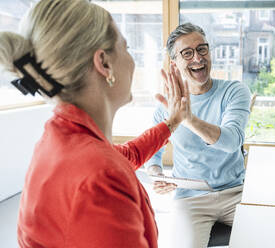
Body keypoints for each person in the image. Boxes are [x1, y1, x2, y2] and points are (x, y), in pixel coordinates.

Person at [0, 0, 189, 247]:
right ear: (104, 63)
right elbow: (110, 167)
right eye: (127, 47)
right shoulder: (100, 177)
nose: (133, 61)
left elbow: (126, 156)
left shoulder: (60, 138)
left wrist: (173, 121)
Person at [145, 22, 251, 247]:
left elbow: (231, 141)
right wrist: (158, 176)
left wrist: (187, 118)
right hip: (191, 198)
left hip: (236, 193)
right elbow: (152, 157)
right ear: (175, 63)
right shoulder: (166, 109)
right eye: (187, 53)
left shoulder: (234, 91)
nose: (198, 58)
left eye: (202, 49)